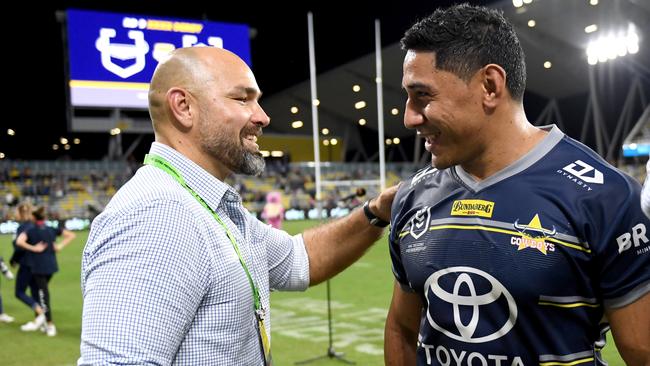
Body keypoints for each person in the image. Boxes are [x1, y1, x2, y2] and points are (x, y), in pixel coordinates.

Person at [78, 47, 397, 366]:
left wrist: (377, 211)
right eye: (242, 99)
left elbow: (299, 260)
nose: (262, 116)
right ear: (183, 106)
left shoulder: (207, 203)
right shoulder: (158, 214)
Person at [385, 4, 650, 366]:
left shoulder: (607, 196)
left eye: (423, 96)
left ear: (490, 86)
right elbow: (402, 330)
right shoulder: (412, 198)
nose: (409, 117)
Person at [15, 206, 76, 336]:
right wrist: (60, 246)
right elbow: (71, 235)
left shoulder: (31, 230)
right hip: (51, 267)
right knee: (38, 292)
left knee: (43, 295)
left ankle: (49, 324)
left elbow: (19, 241)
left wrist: (33, 248)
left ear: (33, 217)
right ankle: (42, 321)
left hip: (38, 268)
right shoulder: (50, 229)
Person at [10, 202, 41, 325]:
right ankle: (40, 319)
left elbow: (19, 247)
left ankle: (40, 312)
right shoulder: (34, 226)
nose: (15, 214)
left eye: (16, 212)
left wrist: (13, 260)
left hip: (26, 263)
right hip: (37, 263)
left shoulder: (22, 228)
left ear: (21, 213)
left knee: (19, 292)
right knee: (35, 291)